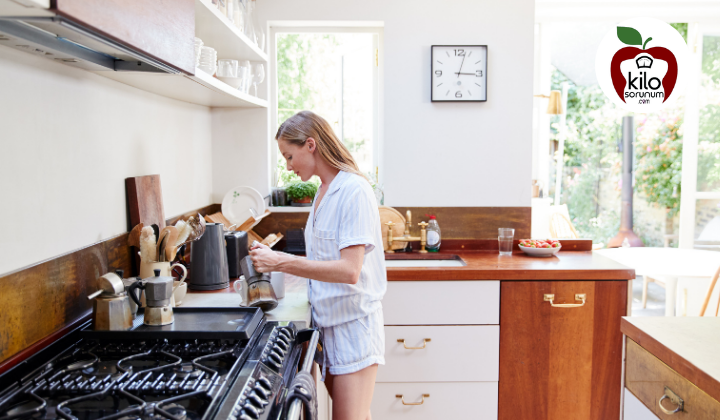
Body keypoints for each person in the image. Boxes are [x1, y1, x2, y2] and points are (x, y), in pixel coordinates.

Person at [250, 110, 386, 420]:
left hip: (353, 326)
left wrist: (281, 262)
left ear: (310, 145)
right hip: (327, 325)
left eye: (289, 155)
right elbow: (323, 261)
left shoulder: (354, 190)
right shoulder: (322, 192)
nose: (287, 165)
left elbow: (349, 270)